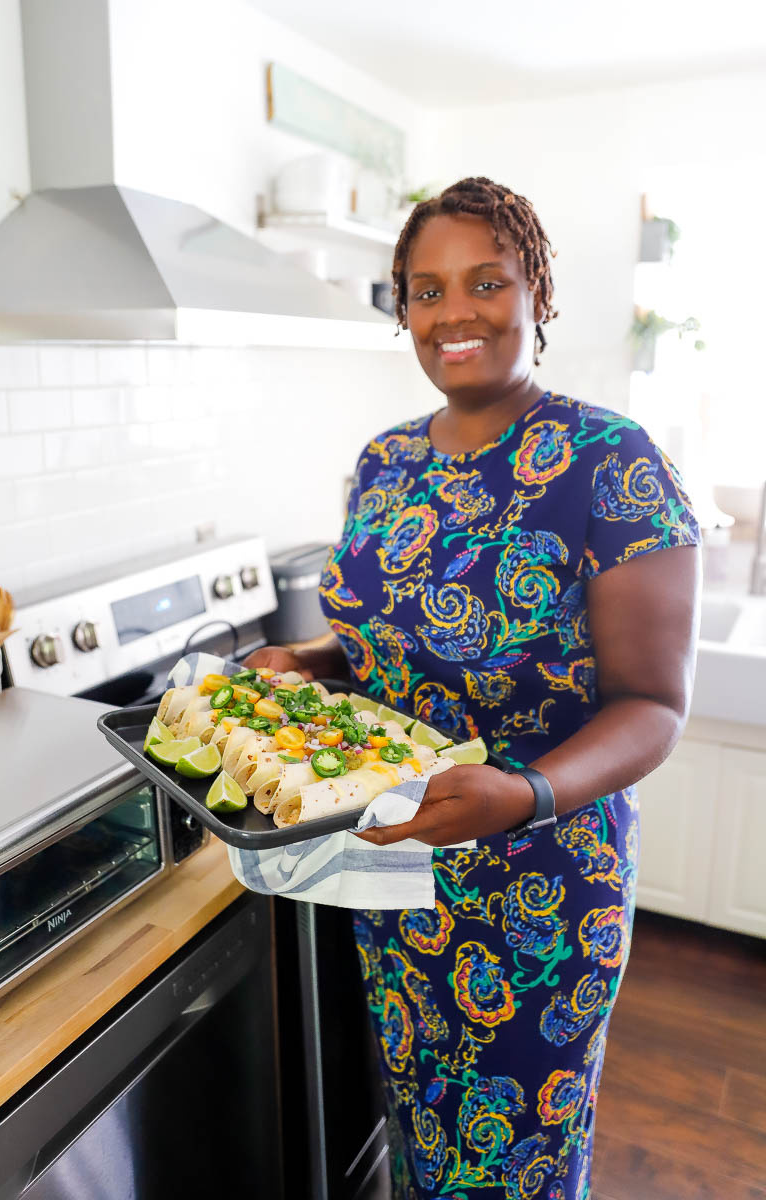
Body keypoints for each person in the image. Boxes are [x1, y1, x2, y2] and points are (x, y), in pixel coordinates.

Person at [245, 176, 701, 1200]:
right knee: (420, 1141)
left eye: (484, 282)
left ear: (534, 291)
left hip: (540, 888)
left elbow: (651, 704)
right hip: (396, 872)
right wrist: (309, 663)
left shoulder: (607, 463)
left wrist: (522, 792)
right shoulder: (385, 462)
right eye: (423, 290)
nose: (453, 313)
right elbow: (388, 642)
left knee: (515, 1168)